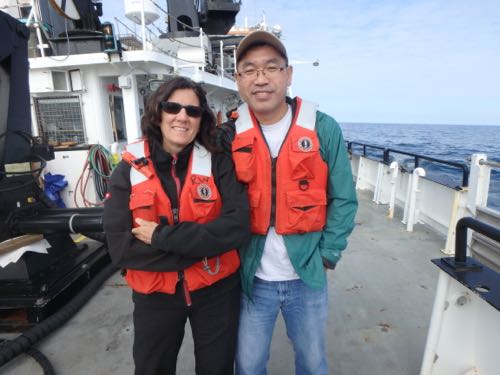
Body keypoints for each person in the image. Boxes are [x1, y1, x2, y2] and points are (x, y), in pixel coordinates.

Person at [218, 30, 358, 374]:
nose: (260, 79)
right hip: (253, 279)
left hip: (306, 277)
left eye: (271, 68)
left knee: (312, 363)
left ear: (288, 74)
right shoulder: (227, 135)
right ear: (238, 80)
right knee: (248, 366)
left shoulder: (324, 128)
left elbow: (344, 198)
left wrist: (328, 253)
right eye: (249, 70)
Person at [103, 76, 250, 375]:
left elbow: (237, 225)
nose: (182, 116)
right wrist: (208, 247)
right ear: (158, 112)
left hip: (216, 292)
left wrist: (160, 236)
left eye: (193, 111)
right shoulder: (128, 170)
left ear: (201, 119)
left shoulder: (218, 162)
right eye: (173, 107)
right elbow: (122, 250)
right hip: (154, 296)